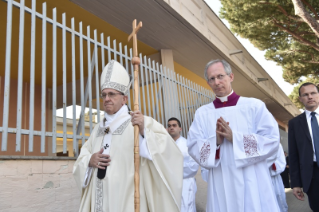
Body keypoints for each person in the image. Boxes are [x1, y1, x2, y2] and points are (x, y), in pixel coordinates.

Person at [73, 60, 183, 212]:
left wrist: (145, 132)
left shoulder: (138, 123)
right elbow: (82, 158)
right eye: (104, 95)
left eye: (112, 94)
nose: (106, 99)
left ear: (124, 98)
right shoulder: (98, 128)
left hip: (127, 200)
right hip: (99, 199)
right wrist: (90, 161)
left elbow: (169, 152)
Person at [187, 59, 280, 212]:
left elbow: (271, 140)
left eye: (220, 76)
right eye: (212, 79)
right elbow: (193, 146)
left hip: (252, 177)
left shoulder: (254, 106)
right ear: (208, 82)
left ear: (231, 77)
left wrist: (235, 138)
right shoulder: (202, 113)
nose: (217, 82)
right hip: (220, 178)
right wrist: (215, 142)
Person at [288, 82, 319, 212]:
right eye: (305, 95)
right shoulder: (294, 123)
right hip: (312, 176)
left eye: (313, 93)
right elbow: (293, 155)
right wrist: (295, 184)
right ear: (300, 98)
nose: (310, 97)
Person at [167, 117, 198, 212]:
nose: (171, 127)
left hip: (185, 183)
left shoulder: (187, 145)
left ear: (180, 129)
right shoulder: (165, 145)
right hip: (170, 184)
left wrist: (173, 170)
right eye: (169, 126)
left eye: (174, 125)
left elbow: (194, 166)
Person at [267, 144, 288, 212]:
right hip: (255, 180)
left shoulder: (276, 144)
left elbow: (281, 164)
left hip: (274, 179)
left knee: (278, 203)